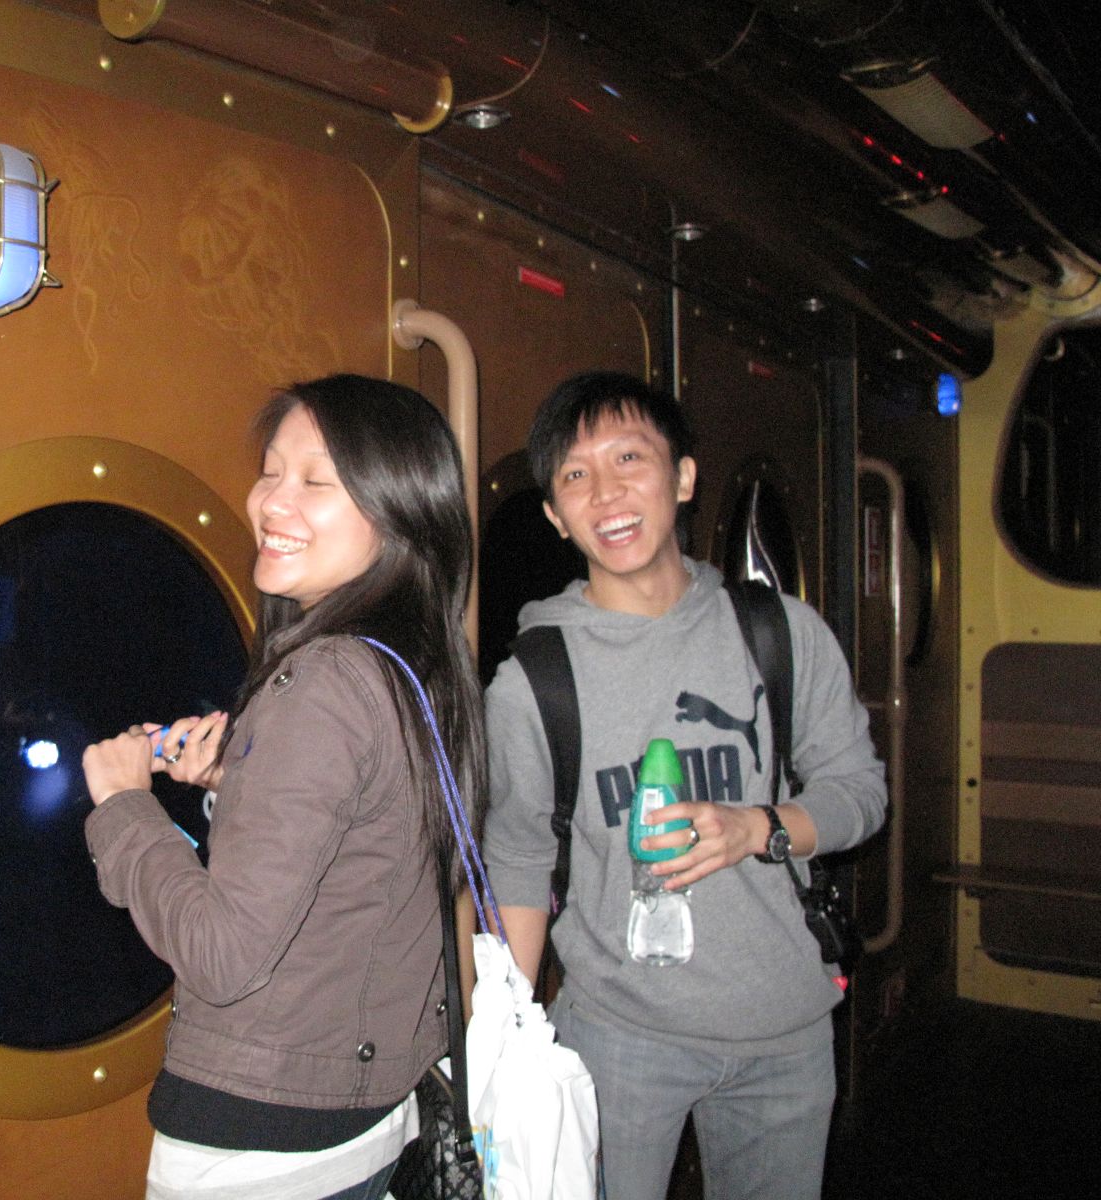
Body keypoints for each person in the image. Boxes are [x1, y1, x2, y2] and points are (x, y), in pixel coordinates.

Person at [481, 371, 886, 1200]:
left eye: (630, 458)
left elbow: (860, 792)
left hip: (784, 1030)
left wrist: (759, 828)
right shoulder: (534, 679)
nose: (607, 493)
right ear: (555, 515)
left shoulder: (778, 632)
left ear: (685, 477)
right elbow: (518, 862)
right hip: (616, 1035)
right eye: (576, 475)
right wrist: (504, 1042)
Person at [82, 373, 485, 1200]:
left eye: (315, 482)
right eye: (270, 471)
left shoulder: (327, 681)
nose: (272, 501)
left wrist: (123, 807)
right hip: (367, 1106)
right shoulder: (417, 664)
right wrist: (243, 776)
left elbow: (221, 955)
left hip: (262, 1142)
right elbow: (371, 847)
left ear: (399, 511)